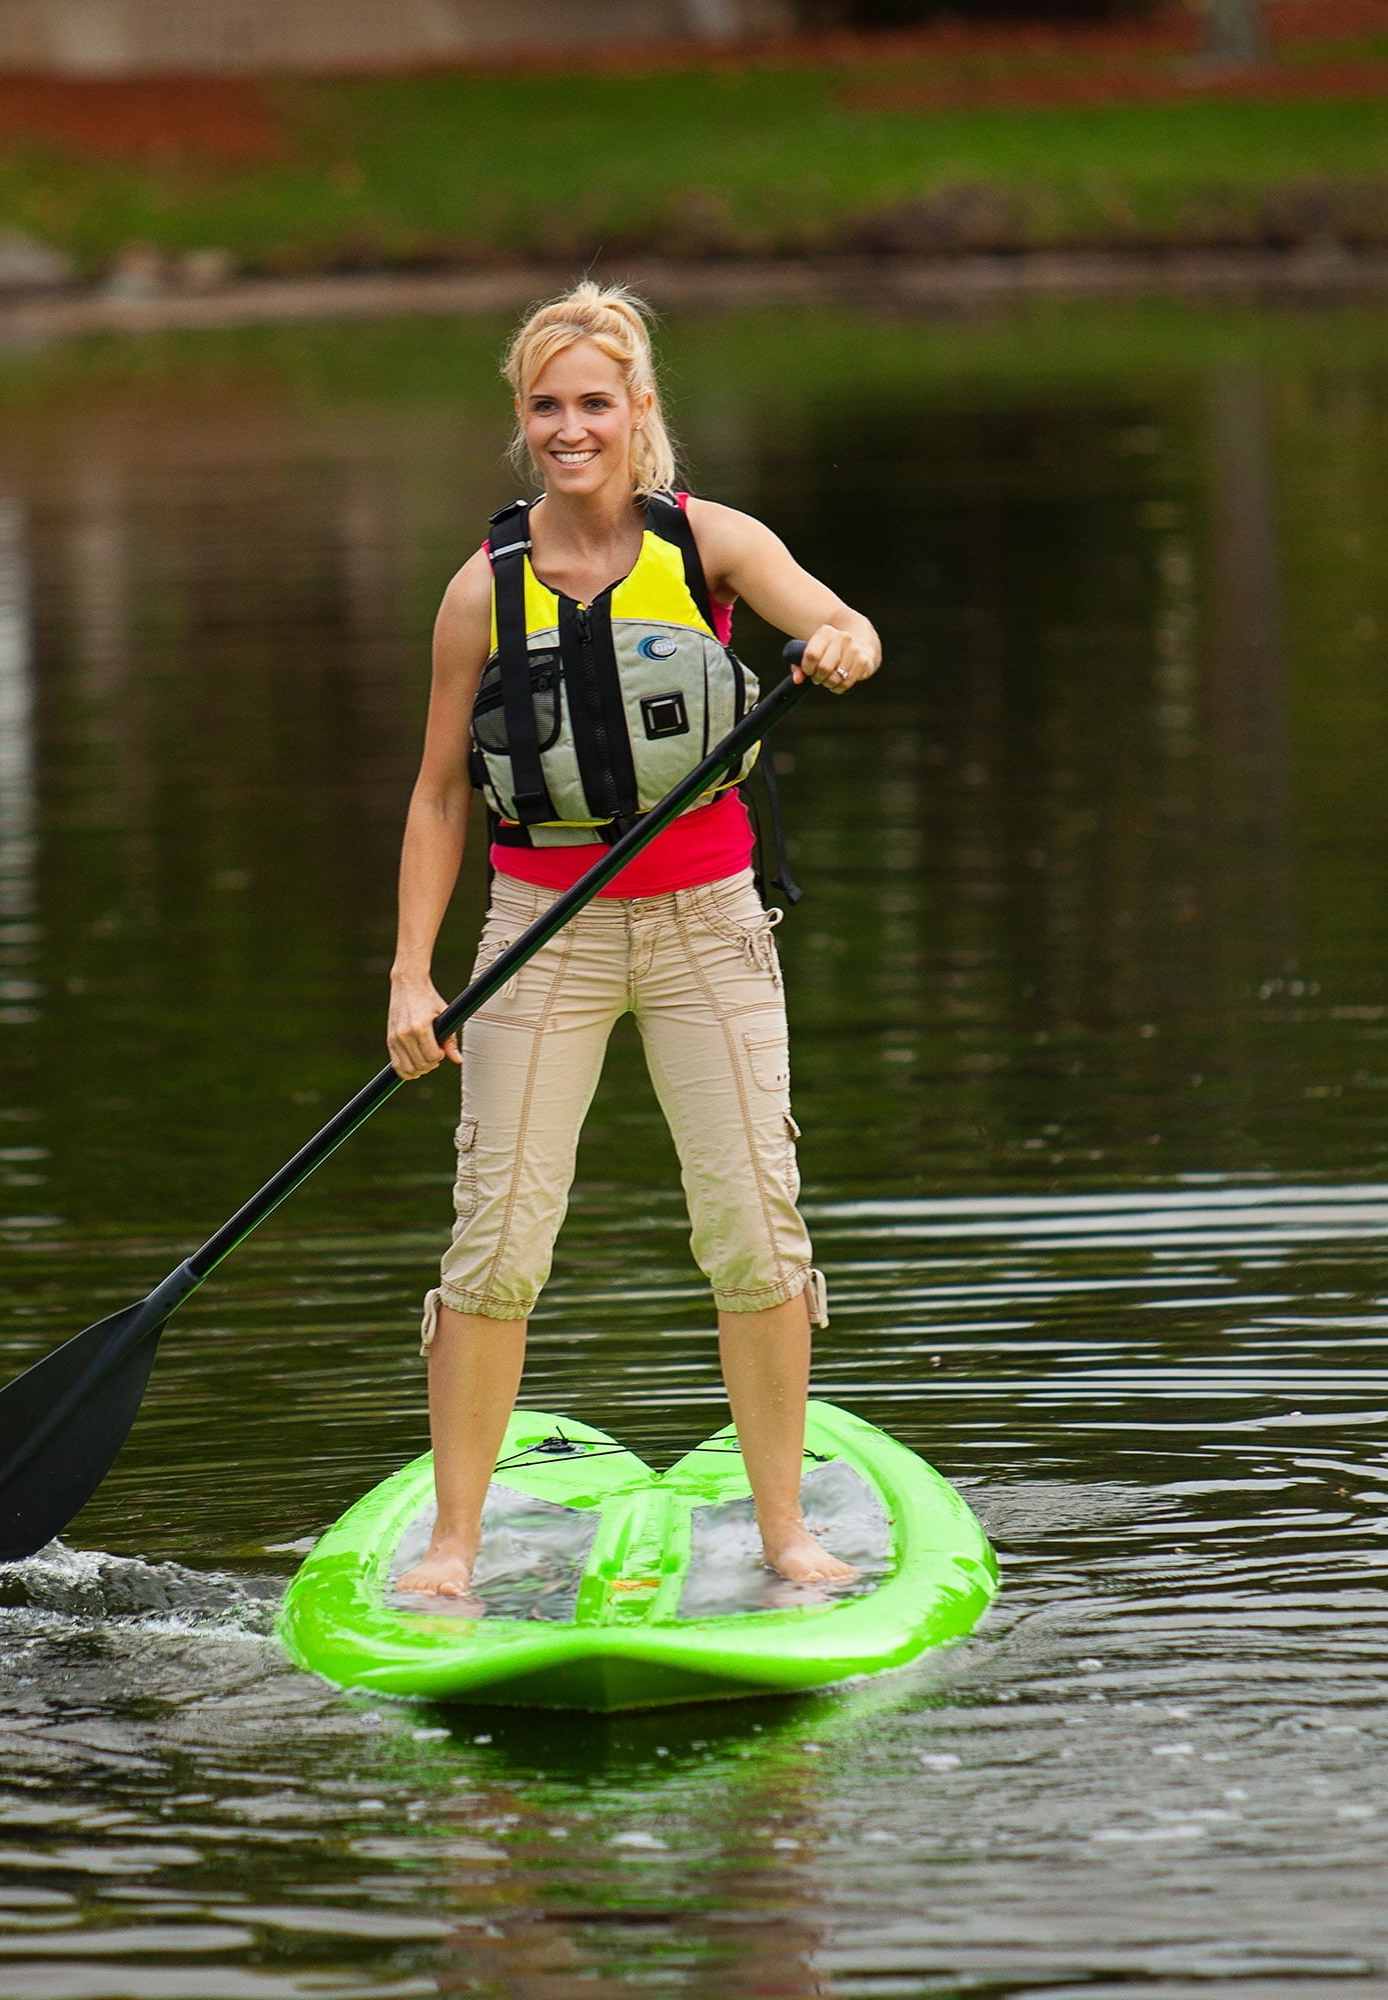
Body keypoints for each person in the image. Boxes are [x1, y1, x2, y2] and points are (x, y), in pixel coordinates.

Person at [386, 281, 881, 1598]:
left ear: (638, 410)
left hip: (709, 925)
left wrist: (834, 644)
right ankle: (451, 1548)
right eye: (545, 406)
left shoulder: (711, 546)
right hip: (536, 936)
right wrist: (409, 974)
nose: (568, 427)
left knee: (752, 1223)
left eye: (592, 403)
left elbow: (848, 626)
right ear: (521, 419)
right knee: (498, 1238)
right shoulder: (479, 594)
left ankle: (785, 1535)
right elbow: (440, 794)